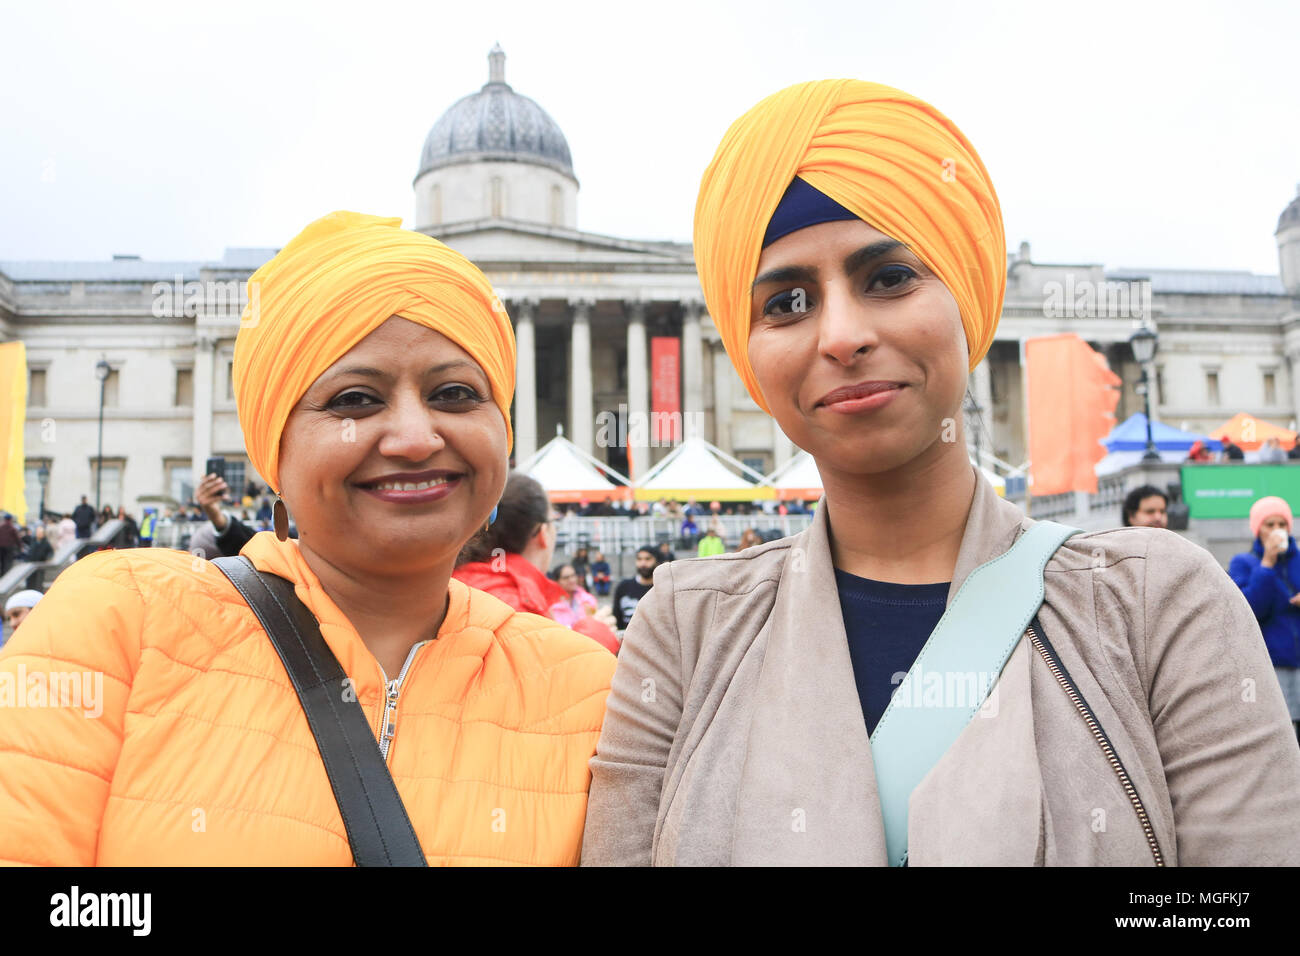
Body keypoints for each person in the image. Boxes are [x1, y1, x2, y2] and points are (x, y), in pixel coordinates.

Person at [581, 80, 1300, 867]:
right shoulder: (682, 626)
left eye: (888, 277)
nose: (843, 335)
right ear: (746, 351)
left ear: (969, 298)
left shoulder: (1160, 604)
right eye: (786, 301)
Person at [0, 211, 615, 865]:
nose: (414, 437)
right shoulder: (118, 619)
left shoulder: (591, 688)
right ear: (274, 445)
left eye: (456, 393)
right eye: (353, 399)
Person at [454, 470, 621, 654]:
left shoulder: (461, 581)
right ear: (541, 532)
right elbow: (542, 674)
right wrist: (597, 638)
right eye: (554, 522)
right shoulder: (515, 602)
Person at [1229, 496, 1300, 743]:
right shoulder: (1244, 563)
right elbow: (1249, 609)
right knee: (1281, 734)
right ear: (1257, 528)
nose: (1276, 530)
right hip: (1272, 662)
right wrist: (1267, 564)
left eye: (1281, 524)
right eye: (1269, 524)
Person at [613, 548, 657, 631]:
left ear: (657, 561)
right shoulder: (623, 587)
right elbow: (616, 617)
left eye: (648, 559)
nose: (643, 563)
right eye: (639, 559)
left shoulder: (662, 589)